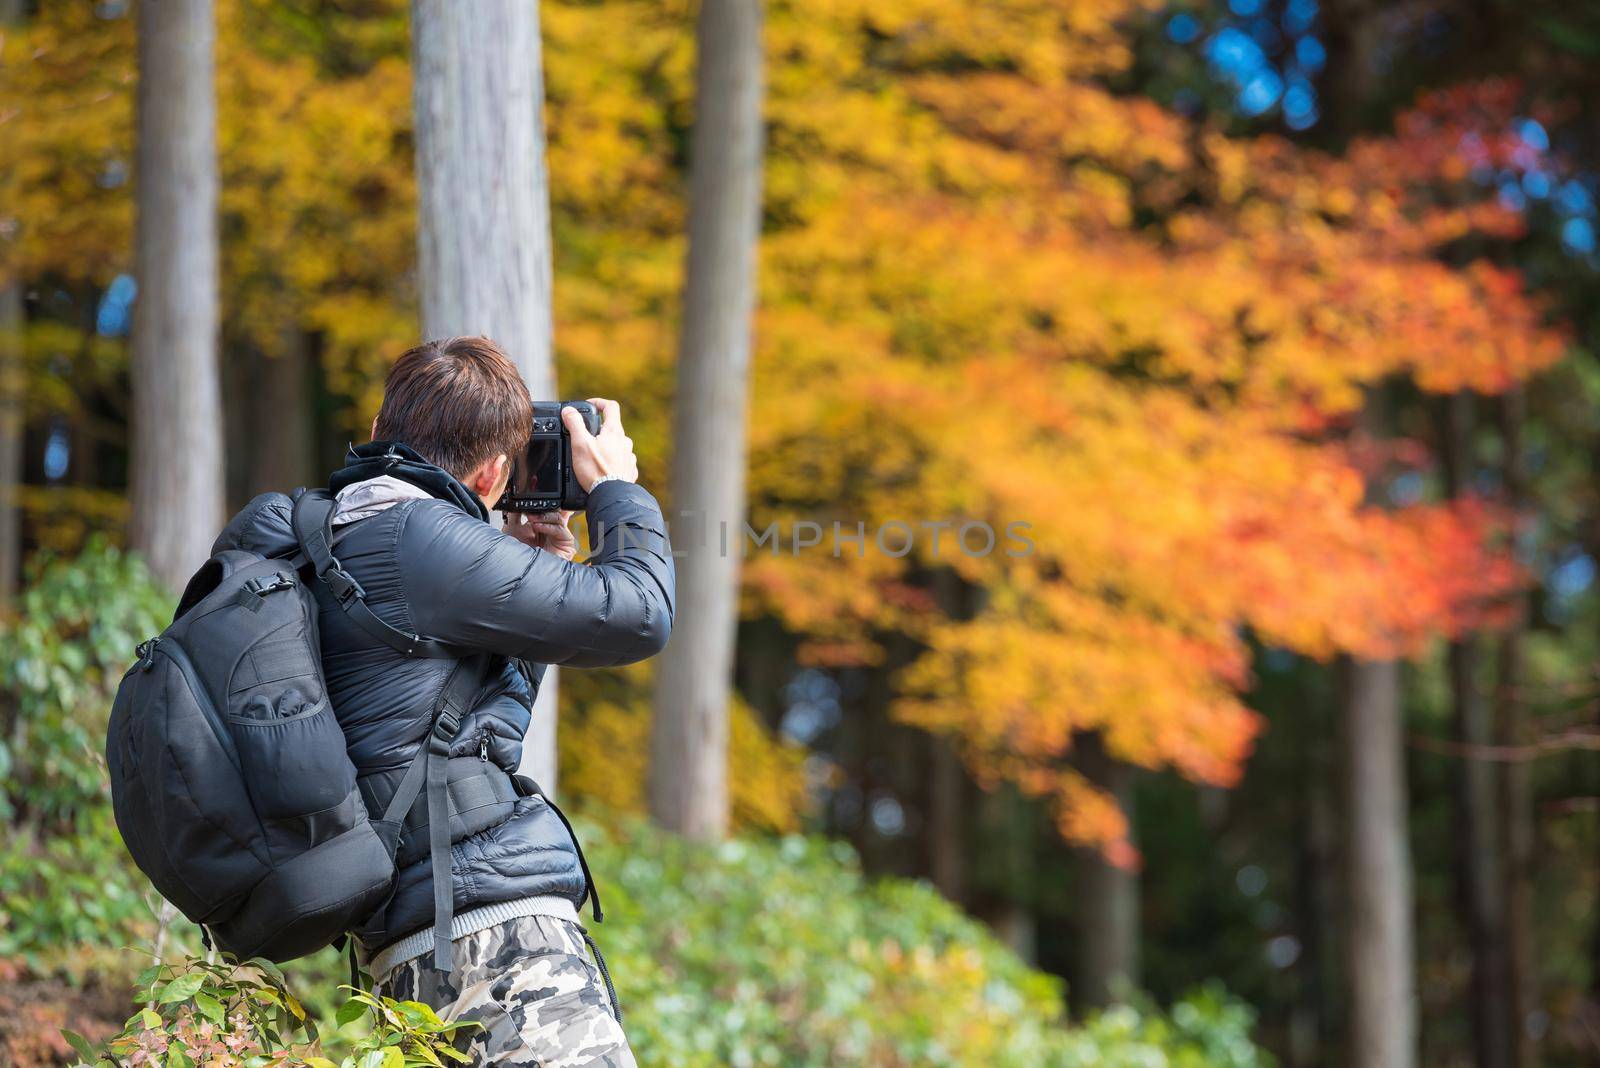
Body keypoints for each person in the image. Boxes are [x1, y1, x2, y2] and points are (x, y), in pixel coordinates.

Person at [212, 336, 673, 1066]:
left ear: (375, 432)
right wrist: (617, 489)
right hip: (501, 948)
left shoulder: (320, 534)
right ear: (493, 471)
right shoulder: (422, 537)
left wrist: (540, 565)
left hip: (412, 954)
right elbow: (641, 612)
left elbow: (456, 733)